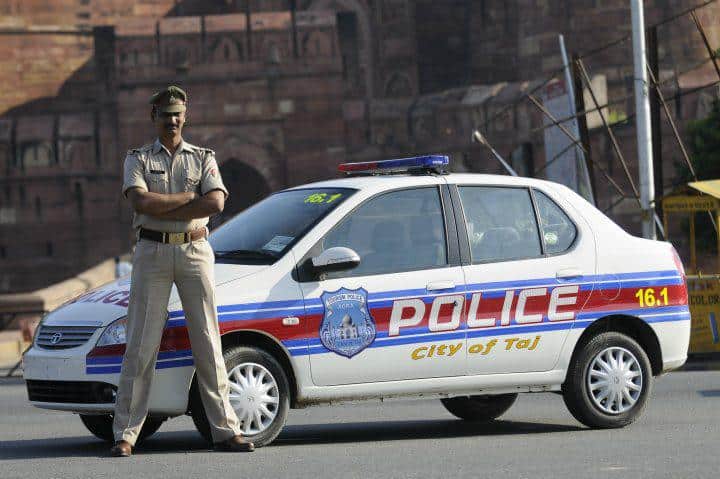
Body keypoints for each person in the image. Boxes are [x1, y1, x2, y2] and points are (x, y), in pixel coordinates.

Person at [111, 85, 253, 457]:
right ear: (153, 117)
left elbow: (217, 201)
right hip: (152, 251)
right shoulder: (137, 158)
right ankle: (126, 433)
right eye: (165, 114)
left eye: (177, 114)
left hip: (193, 250)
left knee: (208, 341)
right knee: (141, 345)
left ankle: (226, 430)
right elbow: (139, 200)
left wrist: (164, 207)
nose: (172, 121)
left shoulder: (203, 157)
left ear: (185, 116)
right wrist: (190, 199)